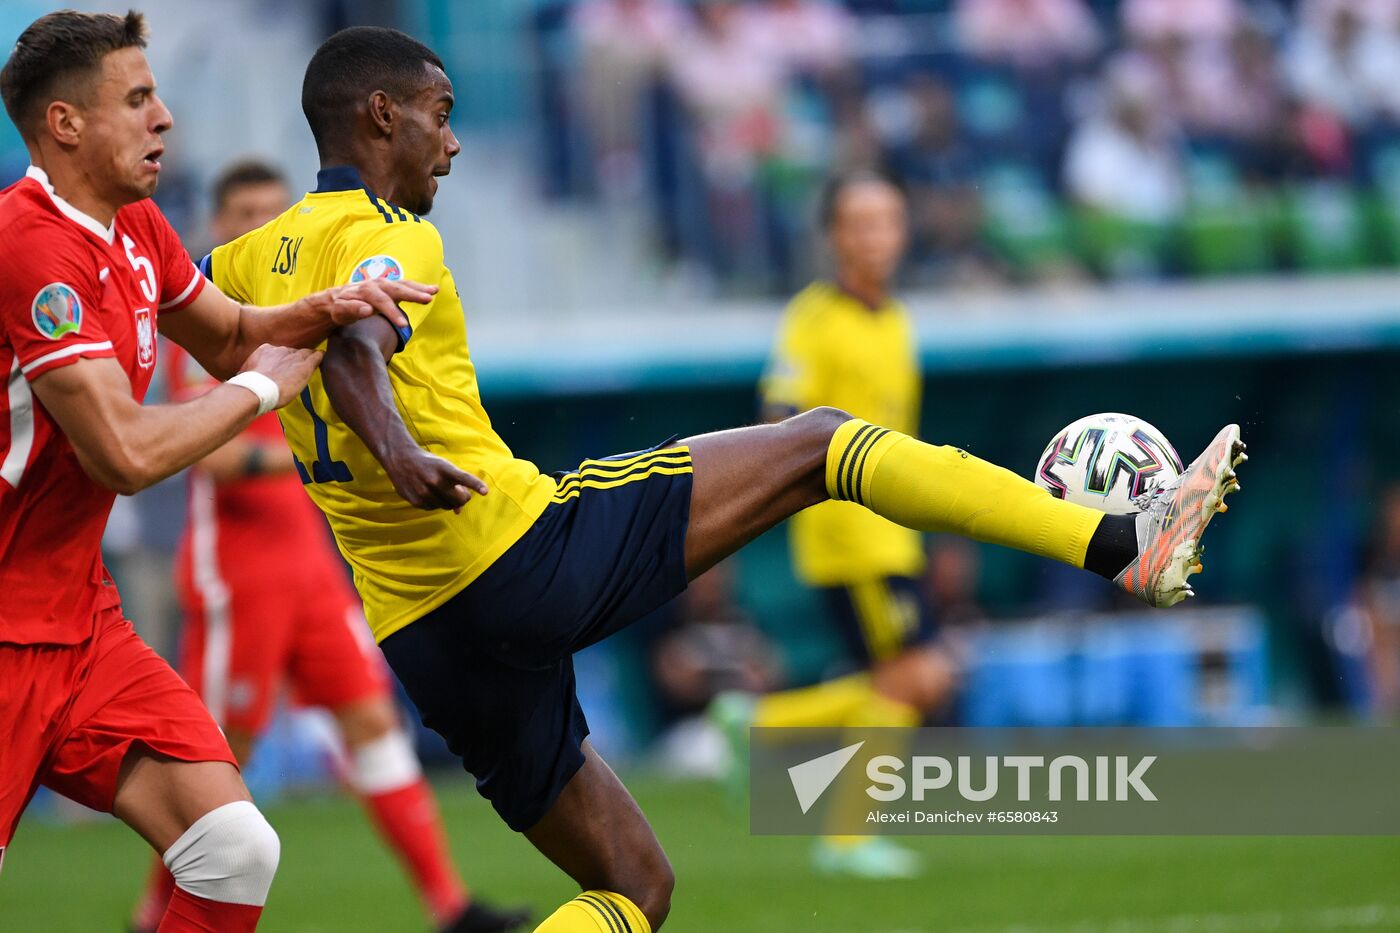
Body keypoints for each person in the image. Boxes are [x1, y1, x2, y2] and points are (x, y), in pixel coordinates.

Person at [206, 26, 1244, 932]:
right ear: (380, 117)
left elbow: (241, 357)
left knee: (635, 884)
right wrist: (396, 451)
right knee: (822, 441)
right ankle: (1120, 542)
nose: (456, 139)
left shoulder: (243, 261)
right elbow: (352, 345)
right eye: (439, 114)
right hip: (510, 551)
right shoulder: (392, 234)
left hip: (419, 633)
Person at [0, 12, 431, 933]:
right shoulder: (32, 246)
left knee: (234, 849)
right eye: (138, 99)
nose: (164, 120)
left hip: (77, 629)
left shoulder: (139, 228)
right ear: (66, 124)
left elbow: (233, 331)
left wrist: (325, 306)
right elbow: (120, 451)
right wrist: (258, 393)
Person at [128, 161, 528, 933]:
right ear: (216, 226)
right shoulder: (210, 321)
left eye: (272, 215)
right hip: (235, 571)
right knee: (216, 760)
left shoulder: (310, 314)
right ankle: (153, 917)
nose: (259, 229)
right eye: (243, 213)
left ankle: (450, 906)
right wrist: (323, 455)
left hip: (308, 564)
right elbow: (200, 450)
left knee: (373, 726)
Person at [710, 169, 958, 880]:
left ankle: (763, 729)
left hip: (896, 529)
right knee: (916, 674)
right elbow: (776, 416)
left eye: (889, 220)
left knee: (909, 678)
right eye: (862, 221)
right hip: (851, 531)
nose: (878, 235)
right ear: (834, 236)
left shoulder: (897, 318)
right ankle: (846, 835)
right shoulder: (813, 319)